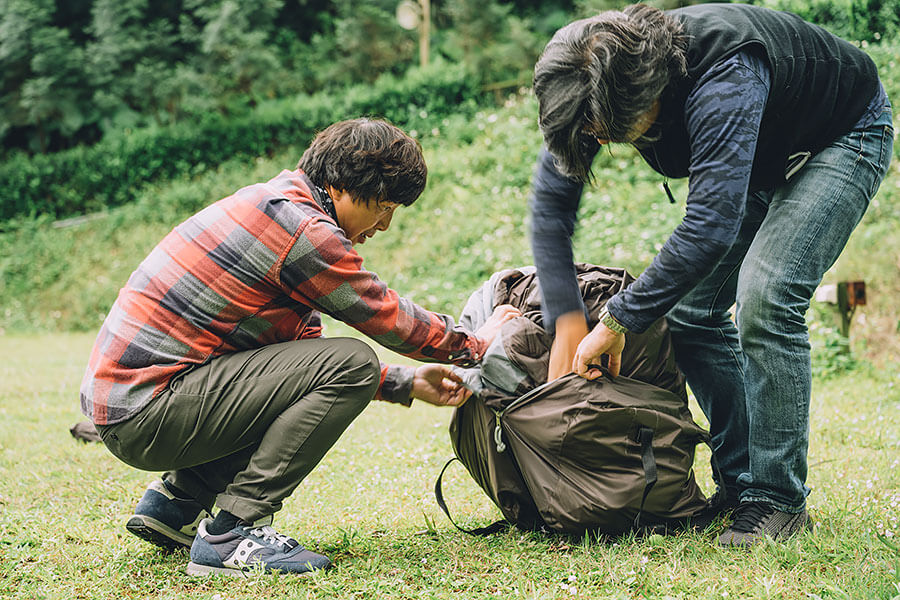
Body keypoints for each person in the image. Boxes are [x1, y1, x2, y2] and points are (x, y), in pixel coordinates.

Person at [80, 118, 519, 576]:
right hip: (147, 412)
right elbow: (386, 317)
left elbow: (298, 362)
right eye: (384, 206)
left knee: (346, 365)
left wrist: (405, 383)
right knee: (354, 360)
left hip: (132, 404)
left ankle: (177, 504)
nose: (385, 224)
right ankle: (231, 531)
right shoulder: (303, 232)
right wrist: (477, 342)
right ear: (345, 186)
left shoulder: (275, 205)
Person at [529, 3, 893, 547]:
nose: (597, 139)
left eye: (603, 130)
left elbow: (710, 226)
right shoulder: (587, 87)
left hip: (839, 137)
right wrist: (566, 318)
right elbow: (550, 212)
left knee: (767, 297)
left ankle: (777, 501)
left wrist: (617, 319)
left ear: (647, 93)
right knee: (690, 312)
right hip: (758, 158)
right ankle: (745, 482)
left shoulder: (724, 74)